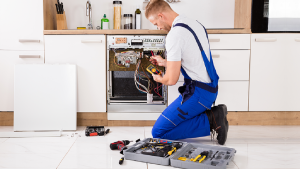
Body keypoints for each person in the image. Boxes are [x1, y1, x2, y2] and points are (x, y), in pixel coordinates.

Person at [145, 0, 229, 145]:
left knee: (158, 132)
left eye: (155, 24)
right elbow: (193, 59)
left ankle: (212, 119)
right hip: (210, 88)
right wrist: (165, 62)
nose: (158, 28)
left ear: (160, 16)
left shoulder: (174, 35)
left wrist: (158, 78)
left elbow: (171, 80)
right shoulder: (194, 24)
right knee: (171, 123)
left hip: (198, 94)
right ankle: (211, 117)